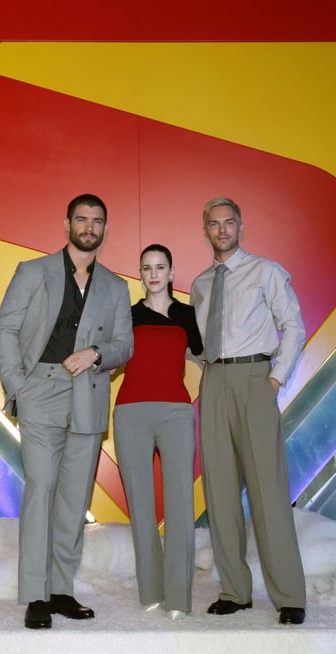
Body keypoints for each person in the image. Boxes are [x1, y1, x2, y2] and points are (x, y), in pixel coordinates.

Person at [0, 193, 134, 630]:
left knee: (74, 500)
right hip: (41, 392)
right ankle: (35, 595)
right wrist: (18, 387)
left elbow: (124, 346)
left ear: (105, 228)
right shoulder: (33, 271)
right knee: (41, 491)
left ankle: (60, 590)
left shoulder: (115, 287)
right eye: (82, 219)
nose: (89, 227)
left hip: (89, 396)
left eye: (97, 221)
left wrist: (96, 352)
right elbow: (6, 328)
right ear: (67, 224)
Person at [190, 196, 308, 626]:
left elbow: (293, 326)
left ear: (241, 227)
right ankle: (235, 591)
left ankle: (289, 595)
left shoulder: (266, 272)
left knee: (268, 489)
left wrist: (275, 378)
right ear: (205, 229)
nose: (222, 230)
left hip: (256, 378)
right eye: (214, 223)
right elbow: (199, 339)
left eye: (229, 222)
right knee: (219, 491)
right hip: (214, 381)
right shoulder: (201, 283)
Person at [114, 244, 203, 620]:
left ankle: (179, 596)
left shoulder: (187, 315)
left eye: (160, 267)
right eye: (147, 268)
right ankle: (151, 591)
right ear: (140, 274)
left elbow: (206, 357)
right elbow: (110, 359)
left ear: (171, 272)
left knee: (181, 504)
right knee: (142, 506)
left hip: (176, 414)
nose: (153, 274)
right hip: (130, 413)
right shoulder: (126, 315)